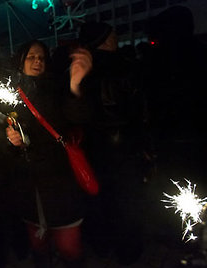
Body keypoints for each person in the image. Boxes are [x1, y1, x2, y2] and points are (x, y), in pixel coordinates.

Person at [5, 39, 93, 267]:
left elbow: (78, 117)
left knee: (69, 248)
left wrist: (75, 85)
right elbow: (4, 140)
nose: (37, 61)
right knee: (39, 246)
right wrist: (13, 141)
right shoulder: (10, 95)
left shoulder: (57, 87)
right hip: (29, 186)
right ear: (21, 61)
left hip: (60, 181)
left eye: (42, 57)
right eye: (31, 57)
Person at [77, 21, 151, 265]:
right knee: (127, 200)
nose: (117, 38)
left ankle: (101, 245)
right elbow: (138, 110)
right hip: (124, 146)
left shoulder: (81, 70)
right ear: (106, 40)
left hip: (93, 147)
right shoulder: (125, 67)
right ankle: (128, 250)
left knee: (101, 198)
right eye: (113, 35)